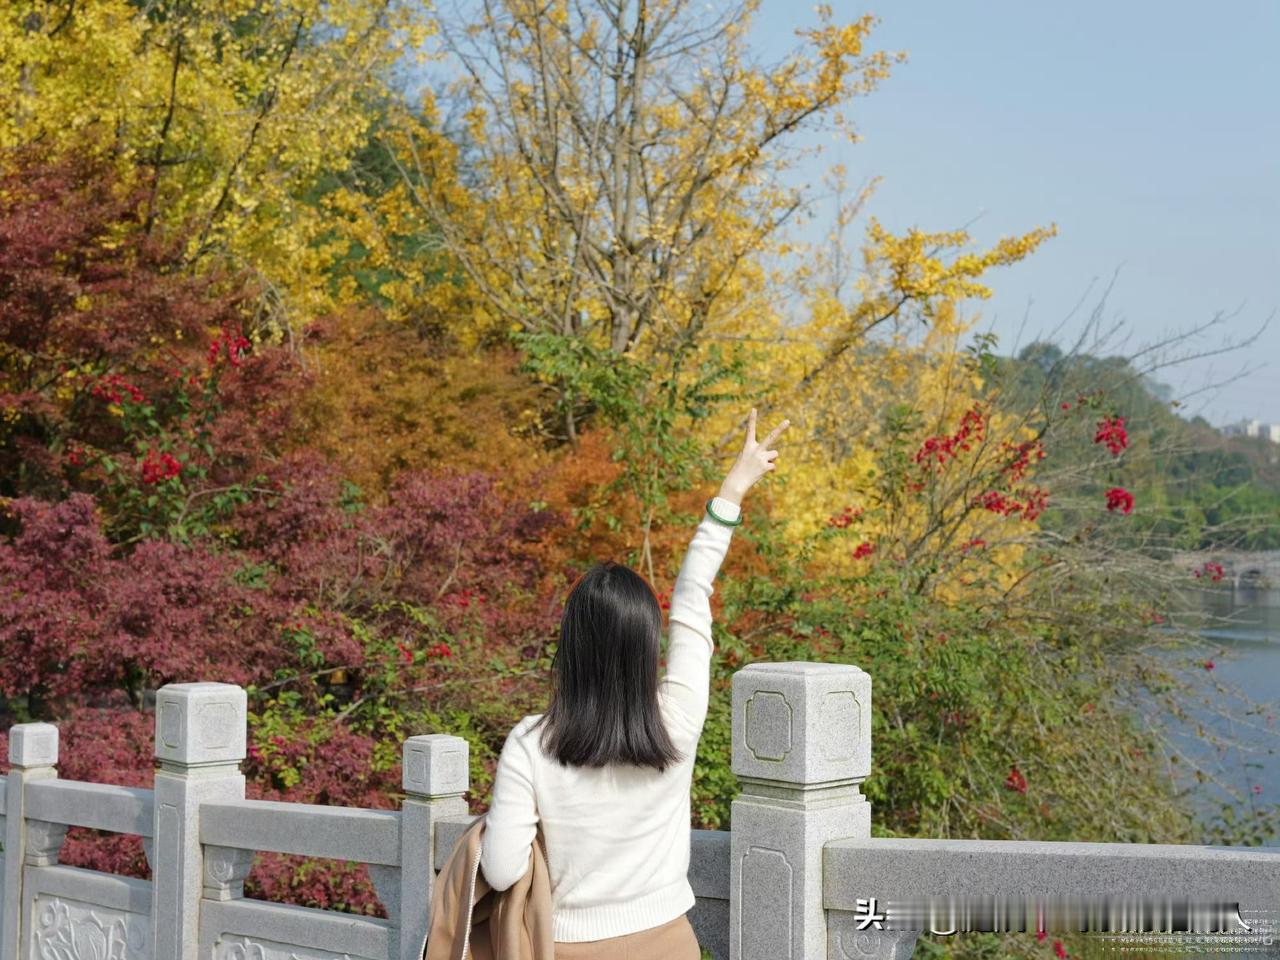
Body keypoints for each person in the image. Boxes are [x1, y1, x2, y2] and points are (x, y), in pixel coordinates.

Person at [479, 408, 790, 960]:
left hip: (569, 948)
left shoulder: (531, 742)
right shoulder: (677, 717)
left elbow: (502, 871)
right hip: (670, 943)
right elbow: (692, 598)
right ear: (647, 645)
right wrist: (732, 490)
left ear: (572, 647)